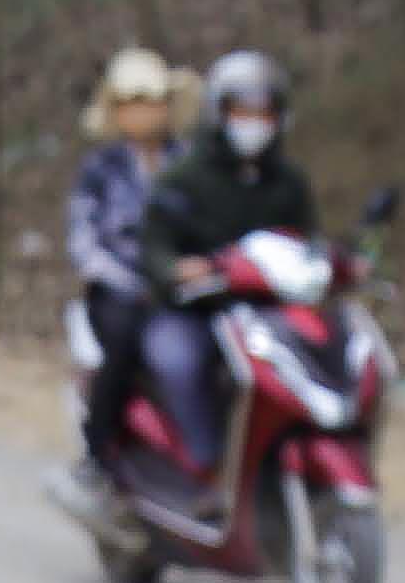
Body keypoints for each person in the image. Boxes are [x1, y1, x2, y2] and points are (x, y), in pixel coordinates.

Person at [133, 50, 321, 484]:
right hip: (192, 311)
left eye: (263, 113)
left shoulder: (289, 183)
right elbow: (154, 246)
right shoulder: (183, 177)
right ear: (220, 112)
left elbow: (307, 244)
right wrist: (179, 270)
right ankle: (205, 464)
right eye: (242, 111)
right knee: (181, 362)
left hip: (267, 314)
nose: (253, 123)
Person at [60, 49, 180, 515]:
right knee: (127, 342)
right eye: (132, 100)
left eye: (151, 99)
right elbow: (84, 241)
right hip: (117, 292)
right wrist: (128, 280)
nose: (144, 110)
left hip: (178, 289)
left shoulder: (185, 164)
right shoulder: (100, 168)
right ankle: (96, 454)